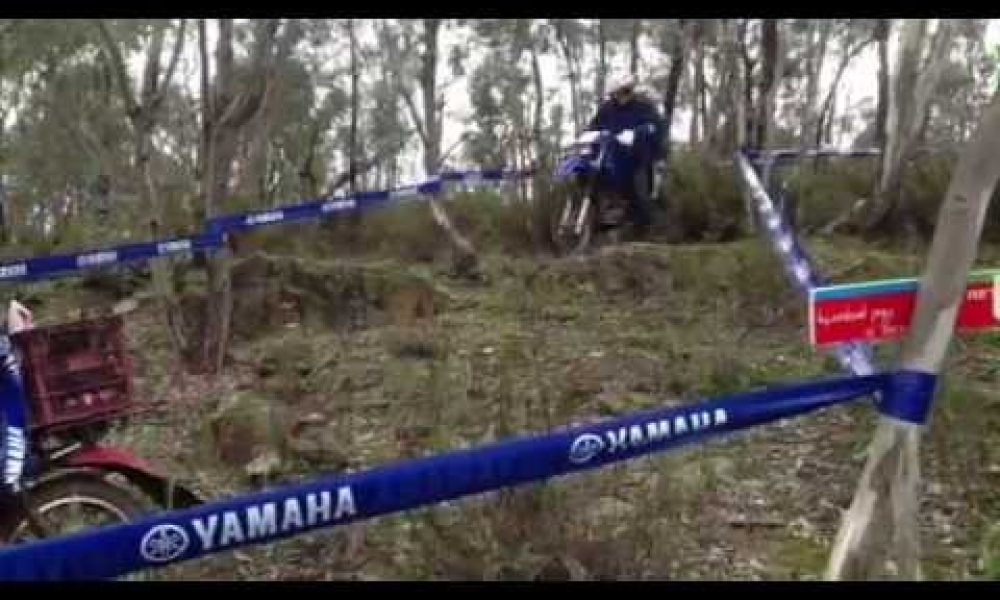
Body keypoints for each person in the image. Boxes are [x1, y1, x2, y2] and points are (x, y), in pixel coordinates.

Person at [587, 74, 665, 239]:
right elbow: (593, 127)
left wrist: (638, 132)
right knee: (594, 176)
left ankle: (645, 226)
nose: (623, 96)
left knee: (640, 190)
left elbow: (655, 126)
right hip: (611, 156)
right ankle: (602, 215)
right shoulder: (607, 109)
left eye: (626, 92)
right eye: (619, 92)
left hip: (638, 157)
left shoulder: (643, 107)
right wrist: (588, 137)